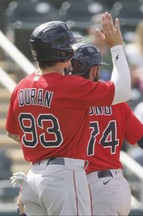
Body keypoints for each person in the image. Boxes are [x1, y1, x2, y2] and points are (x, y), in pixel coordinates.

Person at [6, 12, 132, 215]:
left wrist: (43, 153)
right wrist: (117, 46)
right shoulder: (70, 86)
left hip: (33, 178)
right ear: (61, 52)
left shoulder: (21, 86)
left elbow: (14, 133)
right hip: (63, 176)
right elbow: (124, 90)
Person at [69, 43, 143, 215]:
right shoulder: (116, 101)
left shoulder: (68, 102)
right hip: (115, 186)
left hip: (90, 186)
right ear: (94, 70)